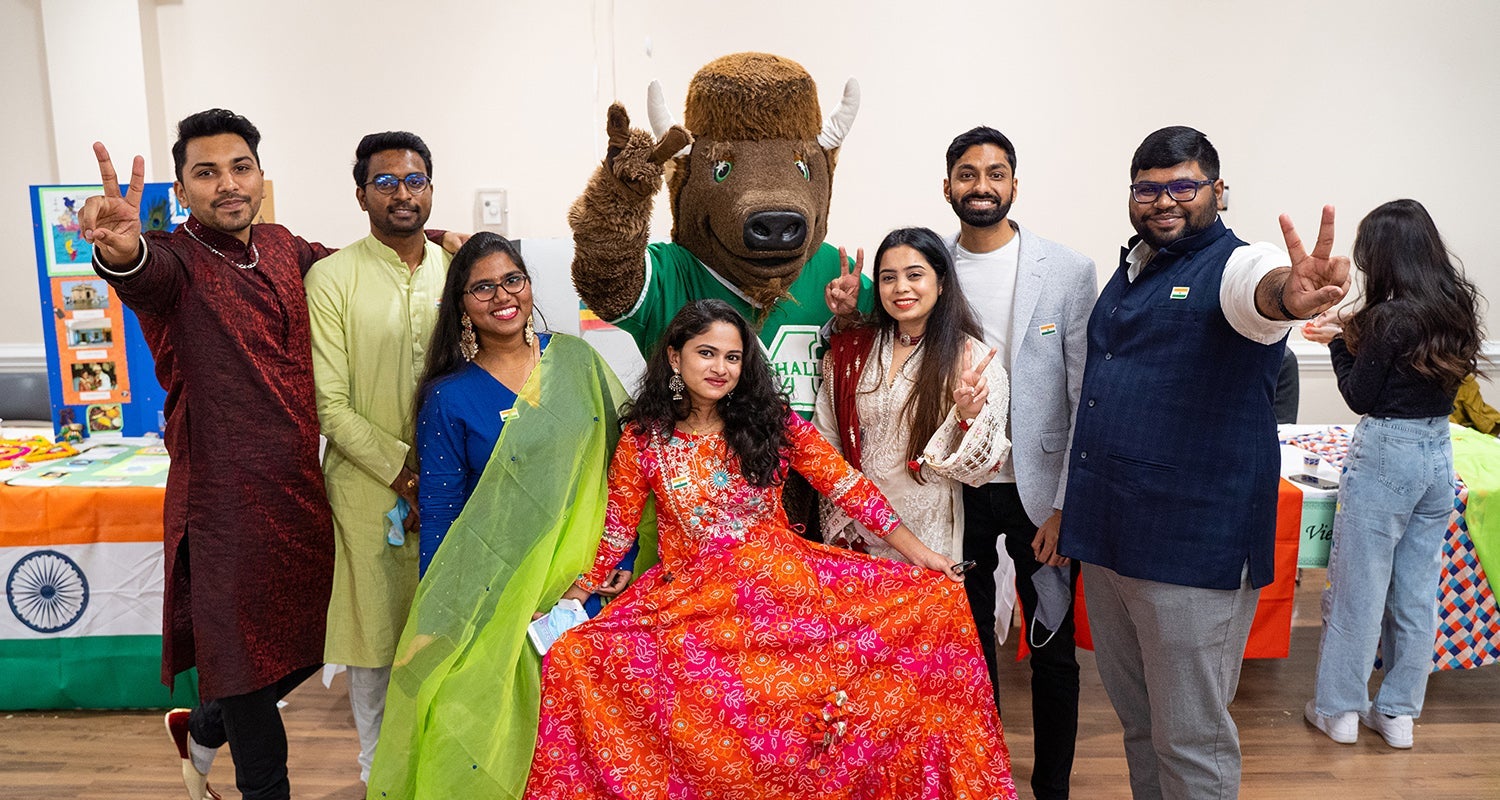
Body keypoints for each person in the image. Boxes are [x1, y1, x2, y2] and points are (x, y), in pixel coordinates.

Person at [526, 299, 1017, 799]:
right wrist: (575, 595)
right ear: (675, 358)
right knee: (572, 655)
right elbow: (617, 530)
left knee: (929, 611)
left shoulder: (769, 424)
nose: (720, 368)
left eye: (733, 357)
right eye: (707, 353)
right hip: (692, 602)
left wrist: (921, 555)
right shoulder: (644, 440)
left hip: (779, 591)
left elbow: (845, 485)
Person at [1058, 125, 1349, 799]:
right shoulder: (1134, 268)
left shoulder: (1237, 265)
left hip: (1191, 551)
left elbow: (1263, 292)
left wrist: (1291, 293)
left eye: (1183, 186)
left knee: (1191, 741)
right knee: (1139, 727)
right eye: (1148, 189)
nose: (1165, 201)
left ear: (1218, 191)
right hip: (1109, 539)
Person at [80, 109, 336, 800]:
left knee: (316, 642)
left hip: (301, 495)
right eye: (206, 172)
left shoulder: (284, 247)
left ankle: (203, 725)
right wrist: (120, 251)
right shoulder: (176, 263)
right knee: (247, 667)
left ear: (259, 175)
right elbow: (141, 273)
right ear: (182, 188)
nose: (227, 184)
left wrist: (438, 242)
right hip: (222, 504)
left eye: (239, 167)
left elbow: (358, 274)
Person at [366, 232, 637, 799]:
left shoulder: (576, 361)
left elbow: (625, 470)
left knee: (589, 734)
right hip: (500, 593)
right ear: (462, 305)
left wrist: (624, 560)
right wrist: (439, 618)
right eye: (481, 288)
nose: (501, 296)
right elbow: (442, 514)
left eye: (511, 280)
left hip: (588, 585)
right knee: (483, 722)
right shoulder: (448, 396)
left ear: (530, 285)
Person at [942, 125, 1097, 800]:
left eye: (995, 173)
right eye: (969, 174)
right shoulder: (928, 267)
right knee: (970, 649)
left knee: (1053, 649)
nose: (982, 186)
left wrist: (1067, 505)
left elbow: (1083, 395)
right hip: (959, 489)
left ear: (1014, 183)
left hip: (1043, 495)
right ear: (947, 185)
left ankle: (1052, 789)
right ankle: (985, 777)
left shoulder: (1066, 270)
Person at [1301, 199, 1483, 748]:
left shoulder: (1388, 317)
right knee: (1416, 592)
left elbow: (1360, 395)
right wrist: (1352, 330)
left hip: (1387, 454)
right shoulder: (1454, 305)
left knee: (1359, 588)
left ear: (1383, 256)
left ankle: (1338, 711)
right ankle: (1399, 714)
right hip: (1437, 452)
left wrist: (1337, 341)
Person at [303, 130, 450, 783]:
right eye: (385, 182)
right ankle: (375, 774)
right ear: (361, 193)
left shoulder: (460, 272)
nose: (401, 193)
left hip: (458, 484)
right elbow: (330, 405)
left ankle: (440, 766)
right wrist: (404, 473)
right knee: (375, 639)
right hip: (367, 488)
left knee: (447, 628)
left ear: (430, 189)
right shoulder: (332, 278)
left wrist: (444, 478)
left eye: (414, 180)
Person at [813, 226, 1010, 566]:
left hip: (928, 535)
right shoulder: (853, 353)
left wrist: (968, 416)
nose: (901, 287)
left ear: (942, 282)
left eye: (914, 275)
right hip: (854, 530)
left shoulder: (971, 359)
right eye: (888, 278)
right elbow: (825, 441)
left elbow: (983, 470)